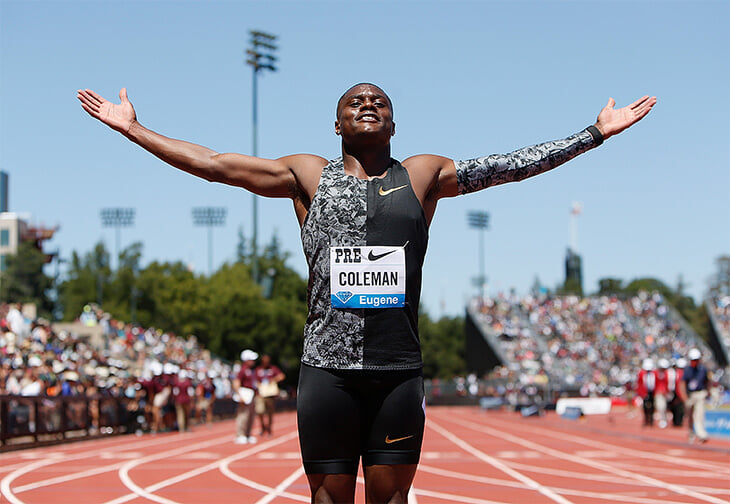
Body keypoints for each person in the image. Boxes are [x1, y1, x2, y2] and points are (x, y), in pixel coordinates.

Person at [78, 83, 655, 503]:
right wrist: (134, 129)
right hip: (326, 372)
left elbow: (510, 168)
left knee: (390, 502)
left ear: (395, 125)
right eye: (354, 100)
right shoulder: (307, 175)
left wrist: (593, 135)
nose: (368, 104)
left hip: (396, 370)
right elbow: (214, 165)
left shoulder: (423, 175)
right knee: (328, 501)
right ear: (336, 125)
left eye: (379, 100)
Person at [681, 348, 710, 443]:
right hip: (690, 395)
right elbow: (682, 383)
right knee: (689, 416)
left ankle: (701, 434)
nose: (695, 362)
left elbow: (708, 382)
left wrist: (708, 392)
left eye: (696, 360)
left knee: (699, 414)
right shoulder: (687, 370)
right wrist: (684, 396)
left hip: (700, 394)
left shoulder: (703, 370)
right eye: (693, 360)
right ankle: (691, 434)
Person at [254, 354, 285, 437]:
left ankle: (269, 428)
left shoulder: (273, 369)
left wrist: (274, 380)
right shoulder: (258, 370)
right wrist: (258, 385)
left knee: (270, 413)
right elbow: (254, 380)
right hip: (260, 394)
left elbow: (282, 376)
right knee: (259, 411)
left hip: (270, 395)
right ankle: (263, 427)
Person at [234, 349, 259, 445]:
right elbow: (236, 382)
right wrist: (239, 395)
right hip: (245, 395)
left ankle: (248, 434)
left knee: (251, 416)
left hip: (252, 395)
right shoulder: (242, 370)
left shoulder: (252, 370)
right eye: (251, 359)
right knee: (243, 416)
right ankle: (240, 434)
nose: (253, 361)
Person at [636, 358, 656, 427]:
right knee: (645, 406)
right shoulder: (641, 374)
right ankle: (646, 419)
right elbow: (639, 384)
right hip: (644, 392)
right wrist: (640, 393)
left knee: (652, 406)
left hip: (652, 392)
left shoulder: (654, 374)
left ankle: (651, 420)